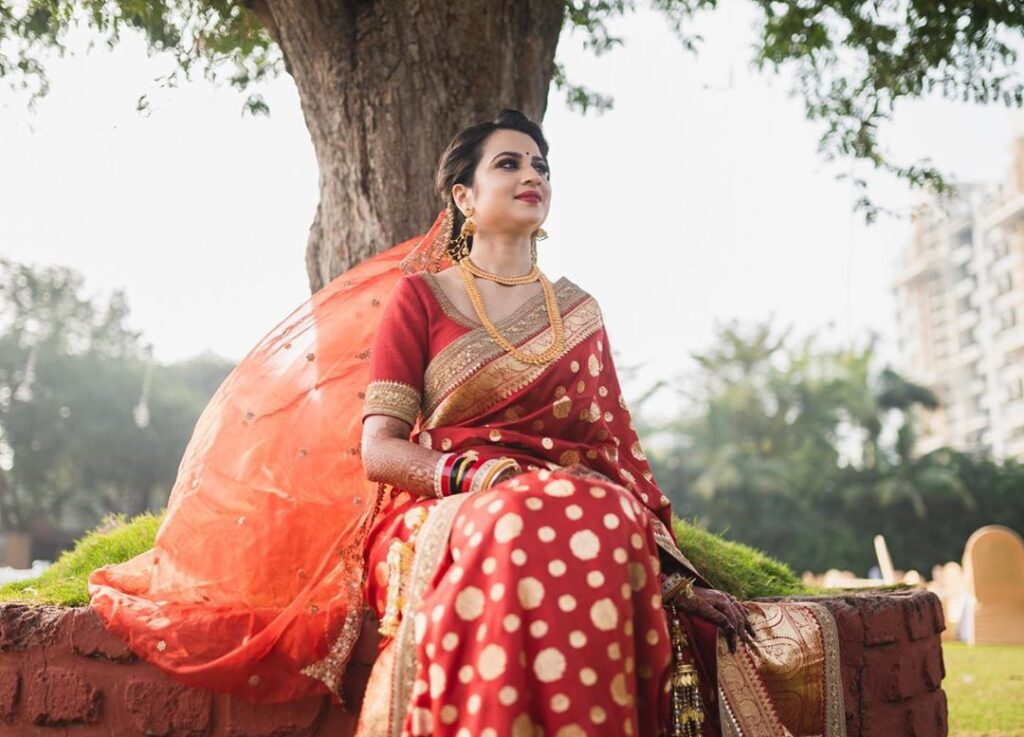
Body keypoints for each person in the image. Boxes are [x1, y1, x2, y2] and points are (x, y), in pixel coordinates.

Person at [88, 110, 846, 737]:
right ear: (462, 195)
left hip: (570, 502)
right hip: (444, 505)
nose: (532, 176)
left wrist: (678, 580)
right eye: (509, 164)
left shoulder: (579, 313)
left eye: (541, 165)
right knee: (515, 523)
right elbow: (379, 449)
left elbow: (618, 459)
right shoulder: (421, 301)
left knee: (606, 513)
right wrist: (475, 473)